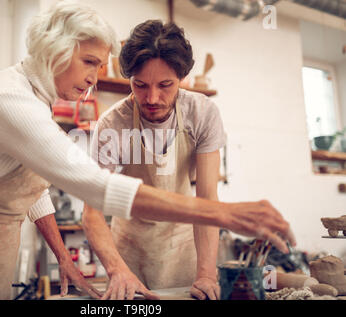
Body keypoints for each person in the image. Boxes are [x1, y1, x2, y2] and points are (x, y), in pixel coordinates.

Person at [0, 2, 294, 300]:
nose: (92, 79)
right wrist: (228, 213)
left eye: (99, 65)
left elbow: (31, 191)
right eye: (88, 62)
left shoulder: (35, 100)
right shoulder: (11, 102)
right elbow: (94, 188)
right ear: (56, 48)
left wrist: (63, 256)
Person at [82, 20, 291, 300]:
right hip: (128, 247)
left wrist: (205, 274)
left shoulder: (201, 113)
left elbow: (207, 198)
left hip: (183, 245)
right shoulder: (112, 124)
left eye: (165, 85)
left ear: (182, 77)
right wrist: (117, 269)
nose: (152, 97)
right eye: (140, 85)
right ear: (128, 78)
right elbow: (92, 211)